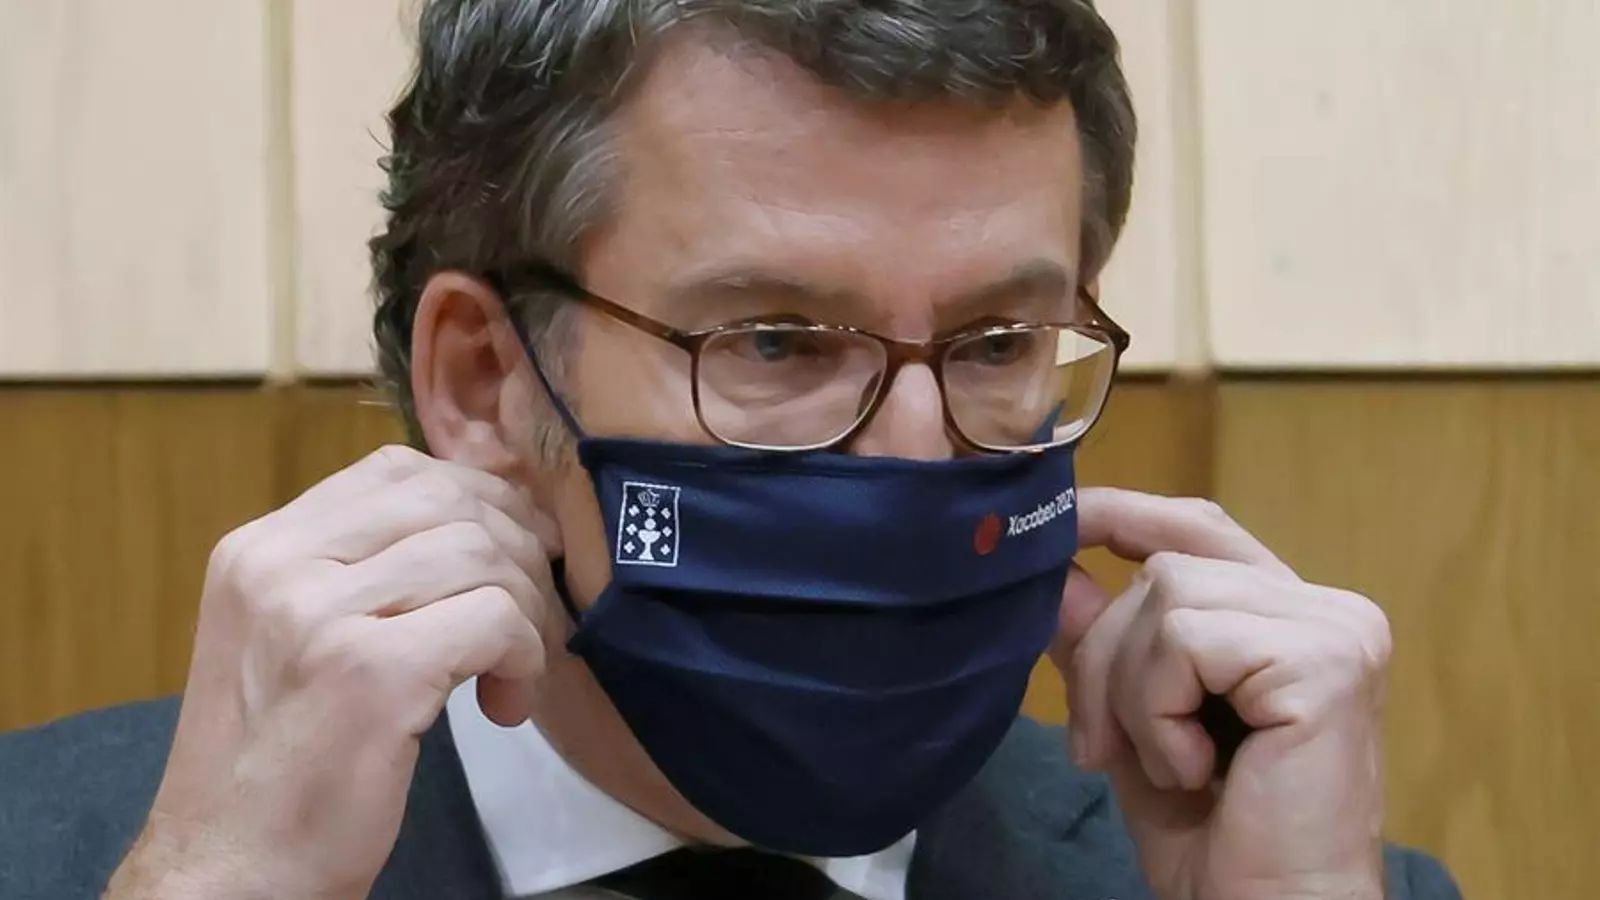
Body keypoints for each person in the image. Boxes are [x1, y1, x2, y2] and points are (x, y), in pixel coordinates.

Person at [0, 2, 1463, 898]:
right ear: (485, 382)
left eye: (997, 343)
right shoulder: (68, 862)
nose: (913, 459)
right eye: (774, 342)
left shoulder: (1277, 879)